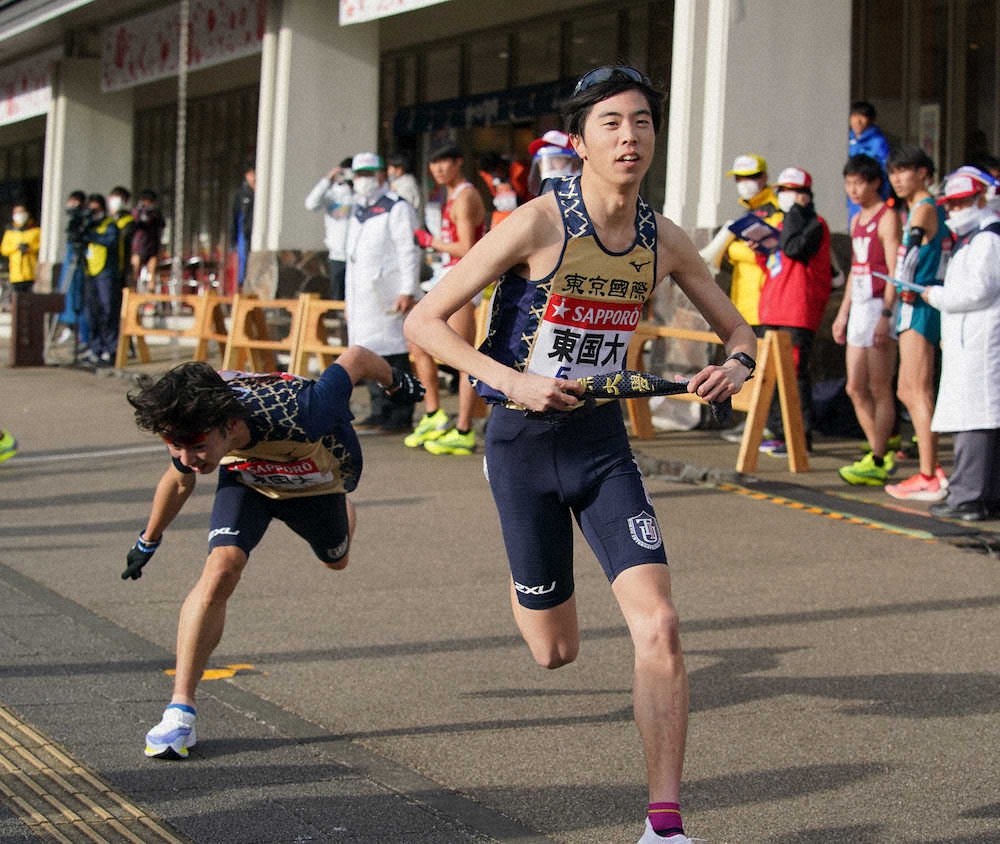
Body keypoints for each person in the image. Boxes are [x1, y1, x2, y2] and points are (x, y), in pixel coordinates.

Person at [405, 64, 756, 844]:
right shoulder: (535, 223)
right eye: (611, 124)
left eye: (642, 122)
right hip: (521, 445)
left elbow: (741, 332)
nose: (630, 137)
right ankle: (528, 568)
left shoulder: (663, 238)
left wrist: (735, 365)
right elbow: (424, 322)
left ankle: (664, 825)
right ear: (581, 140)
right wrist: (513, 382)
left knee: (660, 624)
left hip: (602, 448)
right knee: (555, 651)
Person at [126, 348, 424, 759]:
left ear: (230, 424)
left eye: (196, 447)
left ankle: (344, 513)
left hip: (315, 484)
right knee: (221, 568)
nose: (187, 459)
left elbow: (355, 357)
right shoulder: (190, 421)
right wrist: (149, 539)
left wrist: (394, 380)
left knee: (336, 560)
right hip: (248, 481)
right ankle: (180, 711)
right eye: (174, 446)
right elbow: (179, 482)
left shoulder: (305, 409)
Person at [922, 169, 1000, 521]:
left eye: (962, 202)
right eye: (950, 204)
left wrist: (936, 295)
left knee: (975, 420)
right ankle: (982, 495)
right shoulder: (975, 239)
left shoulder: (988, 240)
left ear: (983, 198)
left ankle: (969, 495)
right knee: (978, 418)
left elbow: (977, 291)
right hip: (971, 342)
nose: (954, 211)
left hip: (981, 344)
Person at [407, 141, 487, 455]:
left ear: (457, 163)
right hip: (448, 278)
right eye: (433, 163)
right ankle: (434, 414)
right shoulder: (450, 195)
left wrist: (431, 242)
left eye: (444, 162)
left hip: (464, 279)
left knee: (462, 354)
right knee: (416, 338)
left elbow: (467, 248)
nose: (438, 169)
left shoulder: (465, 196)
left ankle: (464, 429)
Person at [883, 146, 952, 501]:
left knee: (917, 391)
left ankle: (928, 475)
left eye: (904, 171)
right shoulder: (919, 207)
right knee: (906, 390)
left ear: (923, 173)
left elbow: (912, 248)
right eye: (893, 172)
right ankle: (930, 468)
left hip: (920, 303)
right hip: (914, 303)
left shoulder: (924, 207)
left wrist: (903, 281)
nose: (897, 179)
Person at [833, 154, 902, 485]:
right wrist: (843, 313)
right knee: (855, 387)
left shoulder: (887, 218)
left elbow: (894, 271)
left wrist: (886, 315)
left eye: (859, 183)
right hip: (859, 306)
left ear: (875, 182)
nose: (853, 190)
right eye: (848, 183)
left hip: (878, 305)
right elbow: (854, 270)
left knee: (879, 385)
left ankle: (877, 456)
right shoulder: (857, 219)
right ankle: (879, 449)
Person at [343, 152, 423, 433]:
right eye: (359, 175)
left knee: (393, 353)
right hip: (361, 297)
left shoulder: (396, 207)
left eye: (369, 174)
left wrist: (407, 289)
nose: (363, 180)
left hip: (388, 294)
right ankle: (379, 410)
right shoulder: (358, 211)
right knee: (367, 352)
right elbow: (352, 259)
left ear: (381, 175)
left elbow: (408, 250)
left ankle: (400, 414)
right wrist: (349, 301)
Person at [756, 167, 832, 455]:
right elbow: (774, 264)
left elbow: (793, 249)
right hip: (774, 308)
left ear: (804, 195)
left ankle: (799, 438)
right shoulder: (786, 223)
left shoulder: (815, 224)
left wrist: (795, 215)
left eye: (789, 190)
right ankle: (779, 432)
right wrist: (760, 247)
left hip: (797, 312)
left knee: (795, 375)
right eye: (781, 191)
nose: (783, 196)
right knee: (772, 375)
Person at [700, 153, 782, 329]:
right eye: (739, 178)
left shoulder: (776, 211)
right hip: (742, 301)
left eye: (750, 177)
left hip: (762, 303)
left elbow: (772, 253)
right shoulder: (750, 211)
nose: (744, 183)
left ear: (764, 178)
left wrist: (731, 249)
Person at [304, 157, 354, 301]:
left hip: (356, 256)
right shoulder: (332, 193)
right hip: (337, 255)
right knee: (337, 297)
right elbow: (310, 204)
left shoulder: (361, 195)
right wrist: (327, 180)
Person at [81, 194, 120, 367]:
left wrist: (93, 236)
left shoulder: (109, 225)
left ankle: (110, 349)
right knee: (91, 312)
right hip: (90, 271)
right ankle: (95, 348)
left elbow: (110, 241)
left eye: (95, 210)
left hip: (106, 272)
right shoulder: (88, 226)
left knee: (107, 310)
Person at [54, 190, 89, 349]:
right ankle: (68, 327)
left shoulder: (85, 221)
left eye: (75, 202)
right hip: (70, 264)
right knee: (68, 298)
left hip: (80, 266)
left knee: (79, 300)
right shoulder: (73, 222)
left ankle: (83, 335)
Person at [847, 101, 891, 221]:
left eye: (862, 116)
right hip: (854, 196)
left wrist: (883, 196)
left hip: (870, 193)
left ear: (871, 120)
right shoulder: (848, 139)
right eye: (854, 116)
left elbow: (884, 171)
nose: (858, 121)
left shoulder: (878, 142)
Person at [526, 129, 582, 196]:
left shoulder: (586, 196)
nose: (549, 166)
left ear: (575, 163)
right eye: (541, 162)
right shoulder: (539, 201)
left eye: (556, 159)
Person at [1, 202, 40, 296]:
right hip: (16, 273)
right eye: (16, 213)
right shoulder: (10, 232)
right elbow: (4, 249)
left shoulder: (36, 231)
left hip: (31, 272)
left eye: (21, 212)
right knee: (17, 297)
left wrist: (29, 248)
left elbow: (41, 246)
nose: (19, 215)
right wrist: (16, 247)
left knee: (30, 297)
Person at [131, 190, 166, 292]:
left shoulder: (155, 213)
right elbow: (135, 223)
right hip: (138, 246)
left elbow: (161, 224)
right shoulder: (136, 211)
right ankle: (133, 290)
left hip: (151, 247)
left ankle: (151, 290)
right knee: (135, 269)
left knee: (152, 270)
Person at [231, 161, 255, 289]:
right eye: (251, 174)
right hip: (245, 235)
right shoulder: (241, 195)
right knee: (244, 262)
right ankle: (242, 285)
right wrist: (233, 240)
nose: (254, 178)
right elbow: (235, 218)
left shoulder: (263, 193)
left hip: (258, 237)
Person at [108, 186, 136, 290]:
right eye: (114, 197)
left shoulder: (128, 221)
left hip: (121, 265)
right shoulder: (107, 219)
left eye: (119, 198)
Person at [387, 153, 423, 220]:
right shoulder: (398, 183)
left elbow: (402, 211)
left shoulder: (406, 186)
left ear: (399, 170)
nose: (388, 171)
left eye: (390, 168)